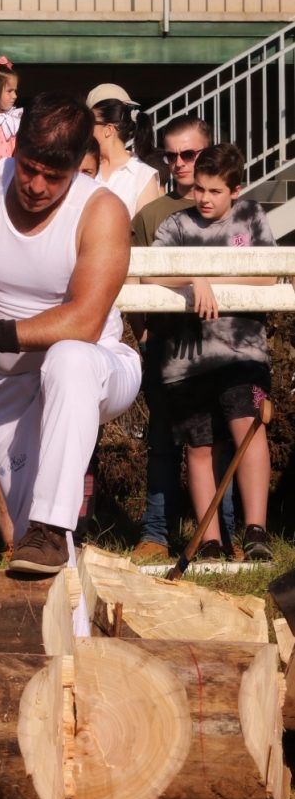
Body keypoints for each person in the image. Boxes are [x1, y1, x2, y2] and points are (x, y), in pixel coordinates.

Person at [0, 92, 141, 575]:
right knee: (37, 561)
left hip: (98, 366)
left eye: (55, 176)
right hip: (8, 388)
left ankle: (51, 524)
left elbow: (84, 322)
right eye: (28, 168)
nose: (36, 186)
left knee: (68, 357)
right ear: (13, 149)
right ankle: (71, 639)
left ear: (78, 167)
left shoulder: (102, 211)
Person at [146, 143, 276, 562]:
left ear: (235, 190)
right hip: (186, 360)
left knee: (249, 431)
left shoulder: (252, 217)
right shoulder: (175, 225)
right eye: (199, 189)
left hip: (242, 351)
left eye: (215, 191)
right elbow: (150, 274)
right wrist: (191, 277)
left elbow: (270, 274)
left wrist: (212, 280)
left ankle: (256, 532)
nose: (203, 198)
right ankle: (210, 541)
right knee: (199, 448)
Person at [131, 115, 219, 562]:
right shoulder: (149, 215)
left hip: (223, 347)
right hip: (167, 346)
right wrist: (144, 335)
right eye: (171, 155)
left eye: (190, 154)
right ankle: (156, 533)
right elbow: (136, 280)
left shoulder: (231, 208)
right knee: (163, 444)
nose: (180, 163)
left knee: (218, 442)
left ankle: (228, 535)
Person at [87, 83, 159, 216]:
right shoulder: (81, 167)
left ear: (108, 129)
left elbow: (144, 234)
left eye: (89, 123)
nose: (85, 130)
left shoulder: (142, 175)